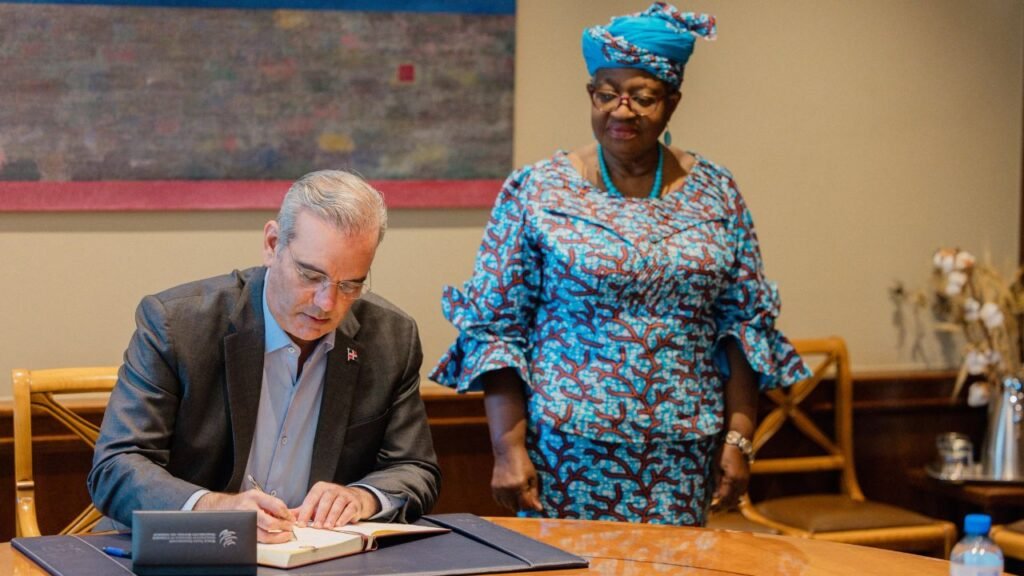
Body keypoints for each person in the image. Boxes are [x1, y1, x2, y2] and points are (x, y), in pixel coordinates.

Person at [430, 2, 810, 526]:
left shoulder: (716, 192)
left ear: (673, 101)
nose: (622, 110)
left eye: (643, 97)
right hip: (565, 453)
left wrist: (740, 437)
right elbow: (497, 325)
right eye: (606, 94)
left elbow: (744, 323)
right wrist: (506, 447)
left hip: (683, 454)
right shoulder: (536, 190)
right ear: (591, 94)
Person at [89, 170, 440, 542]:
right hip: (183, 551)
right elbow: (116, 467)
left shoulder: (390, 337)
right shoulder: (178, 325)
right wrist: (217, 509)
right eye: (310, 275)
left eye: (350, 284)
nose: (327, 303)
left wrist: (361, 497)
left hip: (314, 557)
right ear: (272, 244)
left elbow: (415, 468)